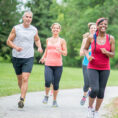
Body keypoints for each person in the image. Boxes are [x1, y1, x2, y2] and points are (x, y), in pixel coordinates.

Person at [7, 11, 43, 108]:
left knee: (25, 78)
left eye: (30, 17)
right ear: (23, 18)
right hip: (17, 57)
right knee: (20, 79)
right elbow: (8, 41)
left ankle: (22, 99)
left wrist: (39, 46)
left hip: (28, 57)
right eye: (26, 17)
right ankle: (23, 93)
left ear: (31, 19)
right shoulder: (16, 28)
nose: (28, 19)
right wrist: (15, 47)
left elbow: (37, 39)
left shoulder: (34, 30)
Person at [84, 18, 115, 118]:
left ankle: (96, 111)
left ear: (107, 26)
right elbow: (85, 49)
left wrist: (107, 52)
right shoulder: (91, 37)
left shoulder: (111, 38)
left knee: (101, 91)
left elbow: (113, 54)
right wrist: (88, 56)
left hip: (105, 68)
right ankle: (90, 107)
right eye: (101, 24)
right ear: (97, 26)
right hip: (92, 66)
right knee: (95, 89)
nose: (103, 26)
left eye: (105, 24)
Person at [40, 23, 67, 107]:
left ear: (59, 30)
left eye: (57, 28)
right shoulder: (48, 39)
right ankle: (46, 95)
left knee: (56, 84)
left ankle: (54, 101)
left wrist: (61, 51)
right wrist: (43, 57)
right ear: (51, 29)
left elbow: (65, 53)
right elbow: (46, 50)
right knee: (47, 81)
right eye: (54, 28)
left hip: (58, 65)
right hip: (48, 64)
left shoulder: (62, 40)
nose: (55, 30)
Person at [80, 23, 96, 105]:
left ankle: (91, 101)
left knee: (93, 84)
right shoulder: (85, 40)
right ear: (89, 29)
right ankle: (84, 95)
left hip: (95, 64)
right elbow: (80, 53)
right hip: (86, 63)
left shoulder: (99, 40)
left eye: (94, 28)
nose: (93, 29)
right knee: (87, 83)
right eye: (92, 28)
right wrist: (88, 51)